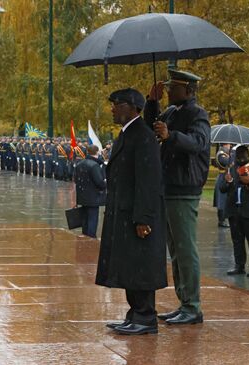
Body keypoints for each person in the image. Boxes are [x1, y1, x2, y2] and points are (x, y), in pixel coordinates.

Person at [97, 88, 166, 336]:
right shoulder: (129, 134)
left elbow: (148, 181)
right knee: (130, 266)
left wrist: (143, 218)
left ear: (133, 107)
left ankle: (146, 317)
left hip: (137, 215)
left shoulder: (143, 136)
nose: (113, 108)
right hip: (124, 213)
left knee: (141, 267)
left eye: (117, 104)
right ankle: (134, 314)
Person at [145, 69, 210, 325]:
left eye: (174, 87)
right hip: (169, 186)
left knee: (185, 249)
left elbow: (198, 142)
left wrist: (171, 136)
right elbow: (152, 126)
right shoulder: (172, 112)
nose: (169, 91)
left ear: (189, 90)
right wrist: (152, 102)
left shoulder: (197, 114)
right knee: (175, 251)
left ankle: (193, 306)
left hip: (185, 188)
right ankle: (184, 302)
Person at [220, 145, 249, 277]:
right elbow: (222, 189)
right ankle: (239, 265)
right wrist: (227, 182)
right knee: (237, 240)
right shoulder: (231, 170)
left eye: (243, 156)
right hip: (234, 211)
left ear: (247, 155)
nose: (240, 159)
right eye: (238, 156)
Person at [74, 145, 106, 238]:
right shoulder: (95, 165)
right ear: (96, 152)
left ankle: (85, 236)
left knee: (85, 219)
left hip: (82, 196)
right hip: (93, 197)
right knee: (92, 219)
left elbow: (75, 179)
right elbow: (99, 182)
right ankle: (91, 238)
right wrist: (105, 184)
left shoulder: (80, 163)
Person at [214, 143, 232, 228]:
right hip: (222, 178)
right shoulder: (221, 154)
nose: (230, 146)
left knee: (225, 199)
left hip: (225, 177)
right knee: (221, 200)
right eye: (228, 144)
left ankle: (224, 219)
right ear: (225, 144)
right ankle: (221, 220)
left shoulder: (226, 154)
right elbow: (227, 162)